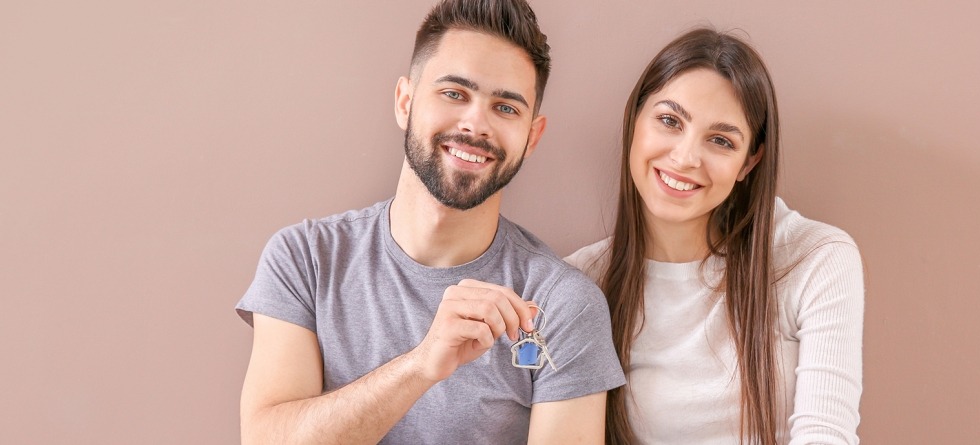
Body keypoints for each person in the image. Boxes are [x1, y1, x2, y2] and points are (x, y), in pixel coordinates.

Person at [235, 1, 625, 443]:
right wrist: (421, 365)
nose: (476, 124)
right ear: (406, 101)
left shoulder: (561, 305)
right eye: (454, 93)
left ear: (532, 137)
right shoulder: (306, 258)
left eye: (506, 108)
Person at [565, 28, 864, 445]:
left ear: (749, 162)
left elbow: (826, 435)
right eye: (670, 121)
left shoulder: (815, 258)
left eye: (721, 141)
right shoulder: (580, 285)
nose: (686, 158)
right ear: (635, 118)